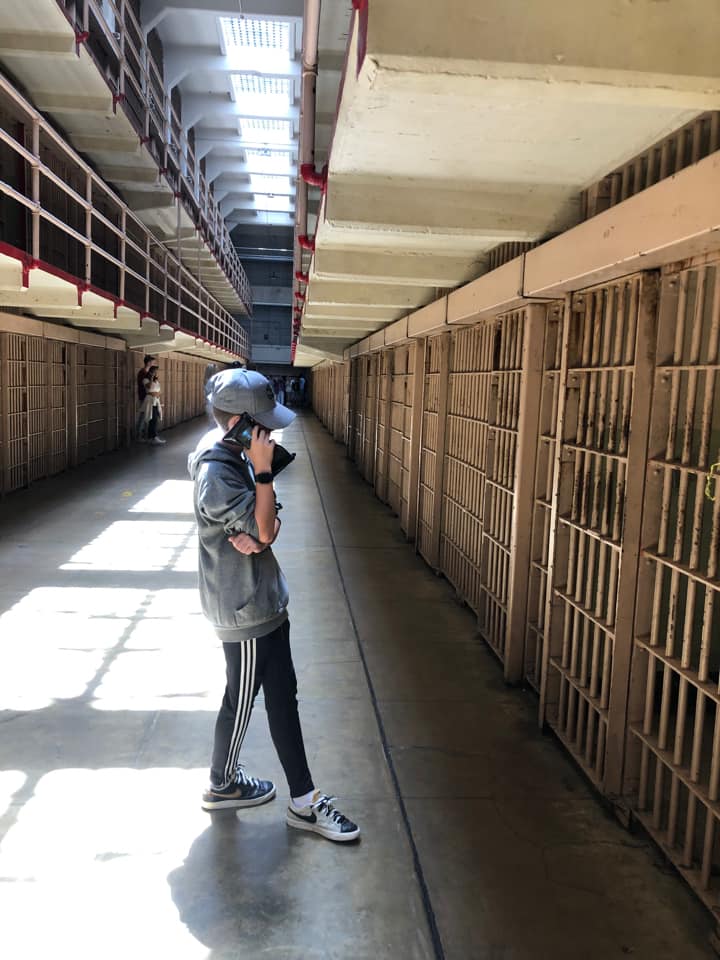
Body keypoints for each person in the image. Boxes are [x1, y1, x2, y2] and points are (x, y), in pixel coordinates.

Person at [188, 368, 360, 842]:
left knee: (283, 694)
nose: (273, 430)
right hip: (242, 606)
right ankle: (224, 784)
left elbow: (266, 529)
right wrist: (263, 479)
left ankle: (302, 800)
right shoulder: (218, 470)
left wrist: (264, 518)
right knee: (240, 701)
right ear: (240, 423)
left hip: (264, 597)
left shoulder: (231, 449)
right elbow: (265, 531)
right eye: (263, 422)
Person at [142, 365, 166, 446]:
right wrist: (151, 378)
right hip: (150, 401)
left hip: (156, 400)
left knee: (155, 419)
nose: (156, 373)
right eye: (154, 371)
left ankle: (152, 437)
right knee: (152, 419)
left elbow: (159, 391)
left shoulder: (156, 381)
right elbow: (148, 388)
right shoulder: (146, 380)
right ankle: (152, 437)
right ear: (151, 372)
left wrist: (156, 394)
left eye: (156, 372)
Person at [136, 354, 155, 441]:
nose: (152, 363)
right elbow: (147, 386)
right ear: (148, 362)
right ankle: (139, 436)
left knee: (146, 416)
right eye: (151, 361)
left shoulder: (146, 373)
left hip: (147, 396)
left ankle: (143, 435)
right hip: (144, 396)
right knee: (143, 416)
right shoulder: (143, 373)